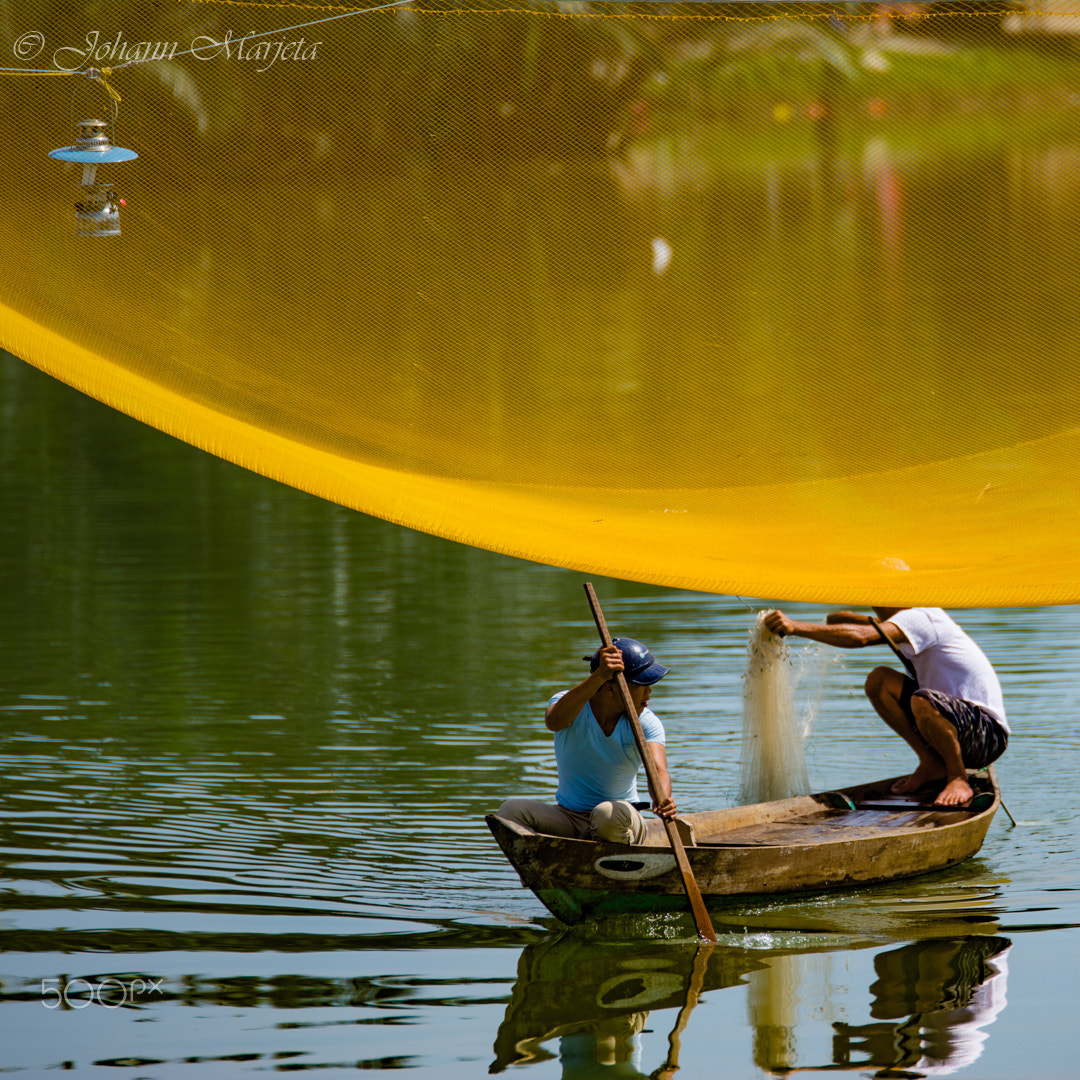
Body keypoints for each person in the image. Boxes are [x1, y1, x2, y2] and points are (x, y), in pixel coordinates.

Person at [762, 607, 1008, 806]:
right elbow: (837, 619)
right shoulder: (901, 620)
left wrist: (795, 626)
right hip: (953, 723)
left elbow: (860, 637)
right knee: (879, 681)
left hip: (986, 735)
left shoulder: (921, 616)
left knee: (922, 700)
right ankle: (931, 762)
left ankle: (957, 777)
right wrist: (848, 618)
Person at [497, 637, 678, 844]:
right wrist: (600, 675)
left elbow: (658, 770)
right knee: (510, 812)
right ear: (610, 688)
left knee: (606, 815)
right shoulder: (569, 702)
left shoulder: (645, 721)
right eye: (642, 684)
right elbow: (554, 722)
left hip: (619, 819)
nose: (650, 691)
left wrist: (662, 800)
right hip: (569, 818)